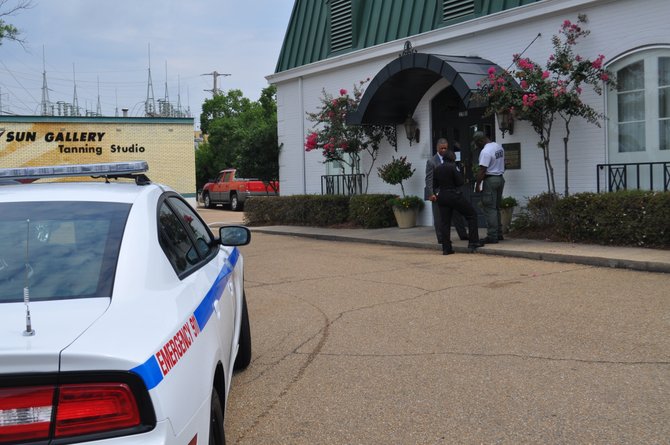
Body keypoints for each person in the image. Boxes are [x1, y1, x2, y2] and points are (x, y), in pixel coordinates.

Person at [432, 149, 483, 254]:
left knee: (445, 222)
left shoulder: (437, 168)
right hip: (453, 195)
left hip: (442, 196)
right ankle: (473, 242)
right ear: (452, 158)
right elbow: (460, 182)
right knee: (471, 214)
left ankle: (446, 248)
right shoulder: (452, 167)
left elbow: (435, 185)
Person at [424, 138, 468, 244]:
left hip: (452, 192)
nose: (444, 150)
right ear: (437, 148)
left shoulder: (451, 159)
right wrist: (431, 194)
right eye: (441, 148)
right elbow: (429, 179)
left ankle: (463, 235)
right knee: (439, 217)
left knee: (457, 214)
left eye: (445, 148)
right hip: (438, 193)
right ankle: (442, 238)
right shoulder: (432, 161)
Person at [474, 131, 505, 244]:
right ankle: (499, 234)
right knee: (496, 208)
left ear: (481, 141)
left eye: (477, 143)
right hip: (500, 179)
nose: (477, 146)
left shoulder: (485, 151)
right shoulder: (498, 147)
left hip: (490, 180)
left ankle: (492, 236)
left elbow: (482, 170)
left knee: (489, 209)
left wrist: (478, 185)